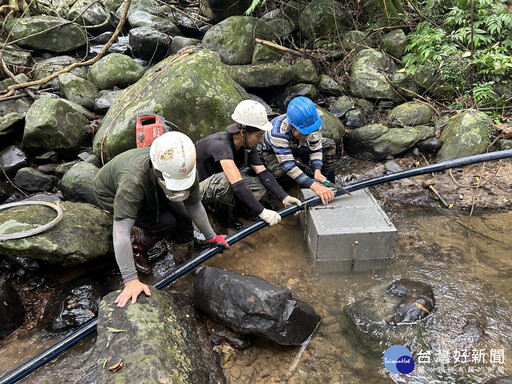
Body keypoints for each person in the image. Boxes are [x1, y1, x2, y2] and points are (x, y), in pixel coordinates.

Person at [93, 132, 229, 308]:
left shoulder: (185, 169)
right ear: (158, 173)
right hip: (110, 192)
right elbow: (120, 232)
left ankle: (184, 265)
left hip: (155, 186)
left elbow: (195, 208)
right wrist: (131, 280)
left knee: (183, 218)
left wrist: (212, 237)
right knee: (165, 221)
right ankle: (138, 248)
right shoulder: (132, 183)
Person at [196, 100, 302, 229]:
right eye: (258, 136)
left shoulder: (246, 144)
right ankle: (226, 219)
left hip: (216, 183)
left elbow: (263, 173)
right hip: (197, 190)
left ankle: (239, 209)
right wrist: (262, 212)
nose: (261, 140)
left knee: (260, 185)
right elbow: (236, 183)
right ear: (243, 132)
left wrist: (284, 197)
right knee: (225, 181)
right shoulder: (220, 145)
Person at [258, 96, 336, 205]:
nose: (309, 135)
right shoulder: (277, 132)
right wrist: (314, 186)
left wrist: (317, 170)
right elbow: (288, 165)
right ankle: (291, 192)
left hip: (297, 145)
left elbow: (316, 146)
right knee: (280, 173)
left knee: (329, 145)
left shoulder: (313, 122)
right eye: (305, 133)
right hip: (271, 151)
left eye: (311, 132)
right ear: (291, 127)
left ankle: (329, 186)